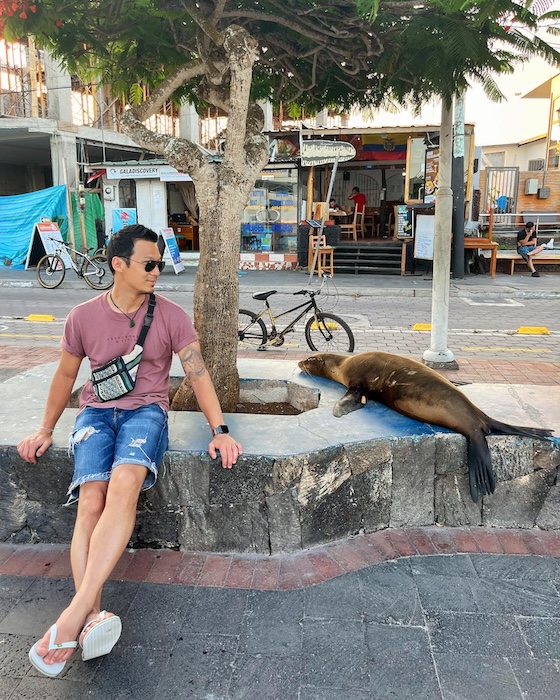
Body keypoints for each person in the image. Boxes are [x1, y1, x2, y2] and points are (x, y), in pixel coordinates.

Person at [17, 224, 242, 677]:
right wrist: (44, 428)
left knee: (123, 486)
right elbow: (65, 377)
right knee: (90, 502)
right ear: (118, 265)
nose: (159, 271)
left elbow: (196, 374)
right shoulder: (82, 316)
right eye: (150, 263)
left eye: (160, 262)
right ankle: (90, 616)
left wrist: (219, 429)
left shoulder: (172, 315)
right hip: (95, 415)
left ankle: (70, 618)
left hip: (146, 414)